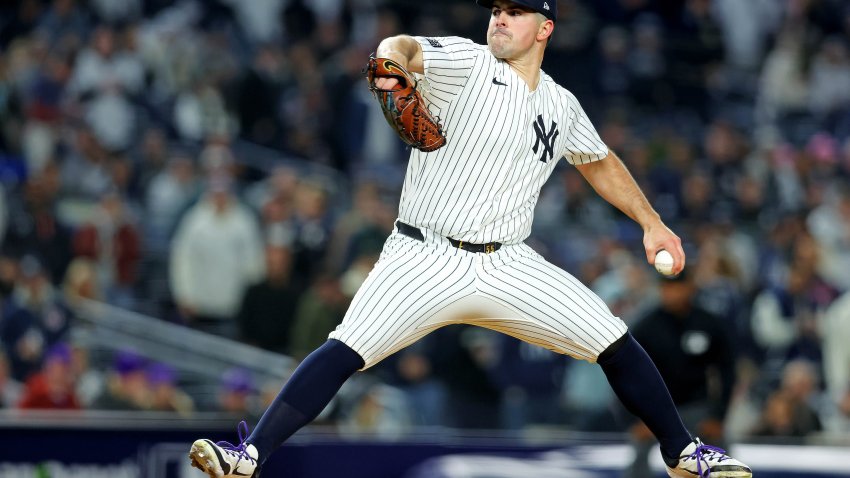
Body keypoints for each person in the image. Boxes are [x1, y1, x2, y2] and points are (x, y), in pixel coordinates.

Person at [188, 2, 752, 477]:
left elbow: (599, 162)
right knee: (345, 349)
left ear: (545, 28)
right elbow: (401, 47)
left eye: (515, 11)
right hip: (423, 255)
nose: (500, 19)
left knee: (613, 338)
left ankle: (682, 453)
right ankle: (250, 455)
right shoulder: (467, 61)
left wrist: (652, 222)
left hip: (507, 263)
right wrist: (389, 63)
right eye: (496, 10)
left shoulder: (560, 103)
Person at [628, 268, 737, 478]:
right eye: (667, 287)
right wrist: (634, 419)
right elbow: (626, 373)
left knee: (723, 459)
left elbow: (727, 370)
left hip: (698, 407)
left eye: (677, 287)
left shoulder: (709, 323)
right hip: (656, 410)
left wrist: (718, 415)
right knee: (638, 460)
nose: (672, 293)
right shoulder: (646, 327)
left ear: (690, 287)